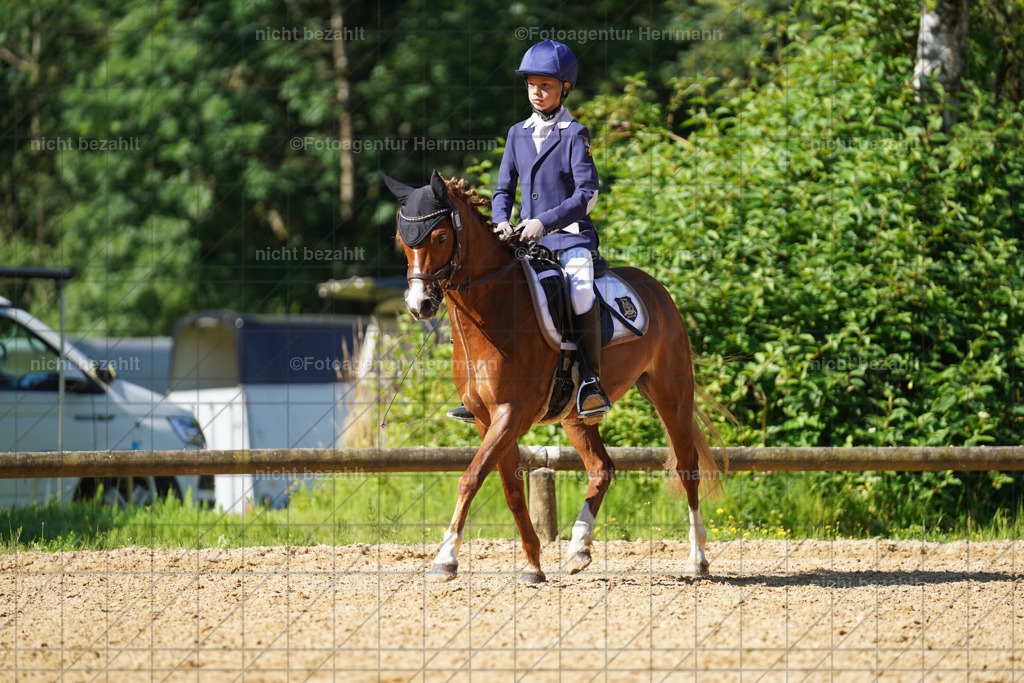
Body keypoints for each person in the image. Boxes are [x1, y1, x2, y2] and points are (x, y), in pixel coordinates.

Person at [447, 39, 611, 425]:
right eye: (532, 85)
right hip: (523, 238)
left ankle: (590, 381)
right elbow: (503, 188)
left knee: (581, 289)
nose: (537, 93)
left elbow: (588, 194)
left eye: (546, 86)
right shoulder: (517, 132)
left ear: (564, 88)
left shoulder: (575, 132)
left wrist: (543, 222)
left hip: (568, 237)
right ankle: (483, 386)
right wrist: (501, 220)